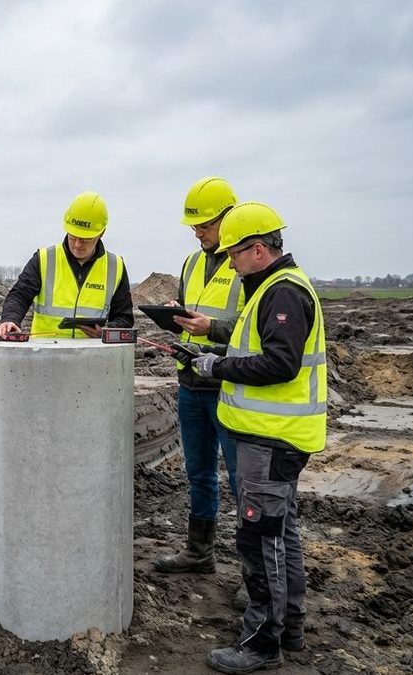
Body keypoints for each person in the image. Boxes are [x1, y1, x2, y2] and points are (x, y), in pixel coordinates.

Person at [189, 202, 327, 674]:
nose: (229, 262)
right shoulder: (270, 287)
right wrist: (215, 350)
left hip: (273, 439)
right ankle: (289, 625)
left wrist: (217, 366)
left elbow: (280, 363)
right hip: (278, 438)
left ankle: (262, 643)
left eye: (234, 254)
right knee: (281, 531)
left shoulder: (282, 292)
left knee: (258, 538)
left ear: (259, 250)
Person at [155, 177, 245, 576]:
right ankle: (199, 551)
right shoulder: (192, 263)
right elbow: (193, 316)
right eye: (194, 226)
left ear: (229, 218)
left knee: (246, 483)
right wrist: (178, 314)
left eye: (205, 225)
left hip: (230, 386)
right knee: (200, 474)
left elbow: (254, 325)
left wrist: (212, 328)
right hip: (191, 383)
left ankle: (253, 571)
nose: (198, 233)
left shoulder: (247, 265)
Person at [0, 191, 133, 339]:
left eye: (85, 239)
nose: (77, 245)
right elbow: (19, 295)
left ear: (102, 233)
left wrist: (106, 331)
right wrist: (10, 319)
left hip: (92, 355)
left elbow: (124, 318)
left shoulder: (115, 266)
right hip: (44, 353)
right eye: (72, 237)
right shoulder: (44, 259)